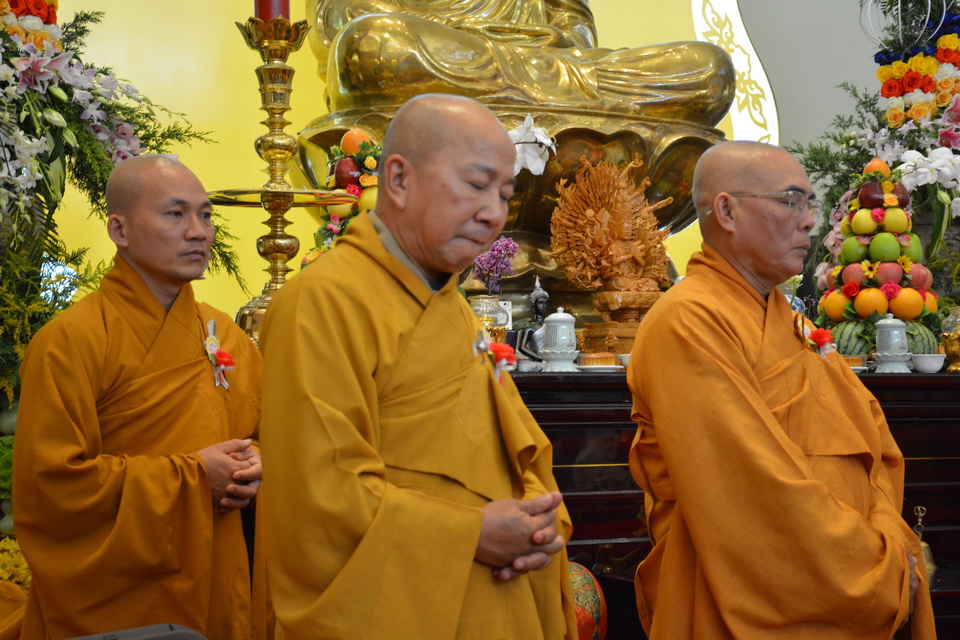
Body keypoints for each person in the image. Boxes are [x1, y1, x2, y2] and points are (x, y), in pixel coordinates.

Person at [260, 93, 577, 638]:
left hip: (502, 601)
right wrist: (470, 534)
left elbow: (514, 447)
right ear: (399, 179)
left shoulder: (453, 308)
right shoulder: (320, 302)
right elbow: (320, 498)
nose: (493, 214)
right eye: (475, 185)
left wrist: (537, 521)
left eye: (504, 195)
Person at [626, 141, 936, 639]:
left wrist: (886, 536)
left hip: (849, 568)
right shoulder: (687, 320)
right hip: (753, 592)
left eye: (811, 204)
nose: (809, 221)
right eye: (791, 201)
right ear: (727, 210)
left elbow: (873, 442)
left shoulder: (793, 323)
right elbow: (751, 488)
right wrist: (869, 565)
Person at [10, 155, 265, 639]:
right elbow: (50, 491)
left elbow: (267, 438)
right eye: (175, 214)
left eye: (206, 215)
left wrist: (255, 465)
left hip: (217, 571)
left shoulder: (226, 335)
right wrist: (194, 479)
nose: (199, 232)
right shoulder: (69, 341)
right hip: (117, 601)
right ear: (119, 230)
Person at [308, 0, 734, 127]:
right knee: (373, 43)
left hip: (555, 68)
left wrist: (557, 42)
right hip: (446, 58)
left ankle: (541, 104)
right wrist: (468, 37)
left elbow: (576, 30)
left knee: (708, 68)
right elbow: (345, 18)